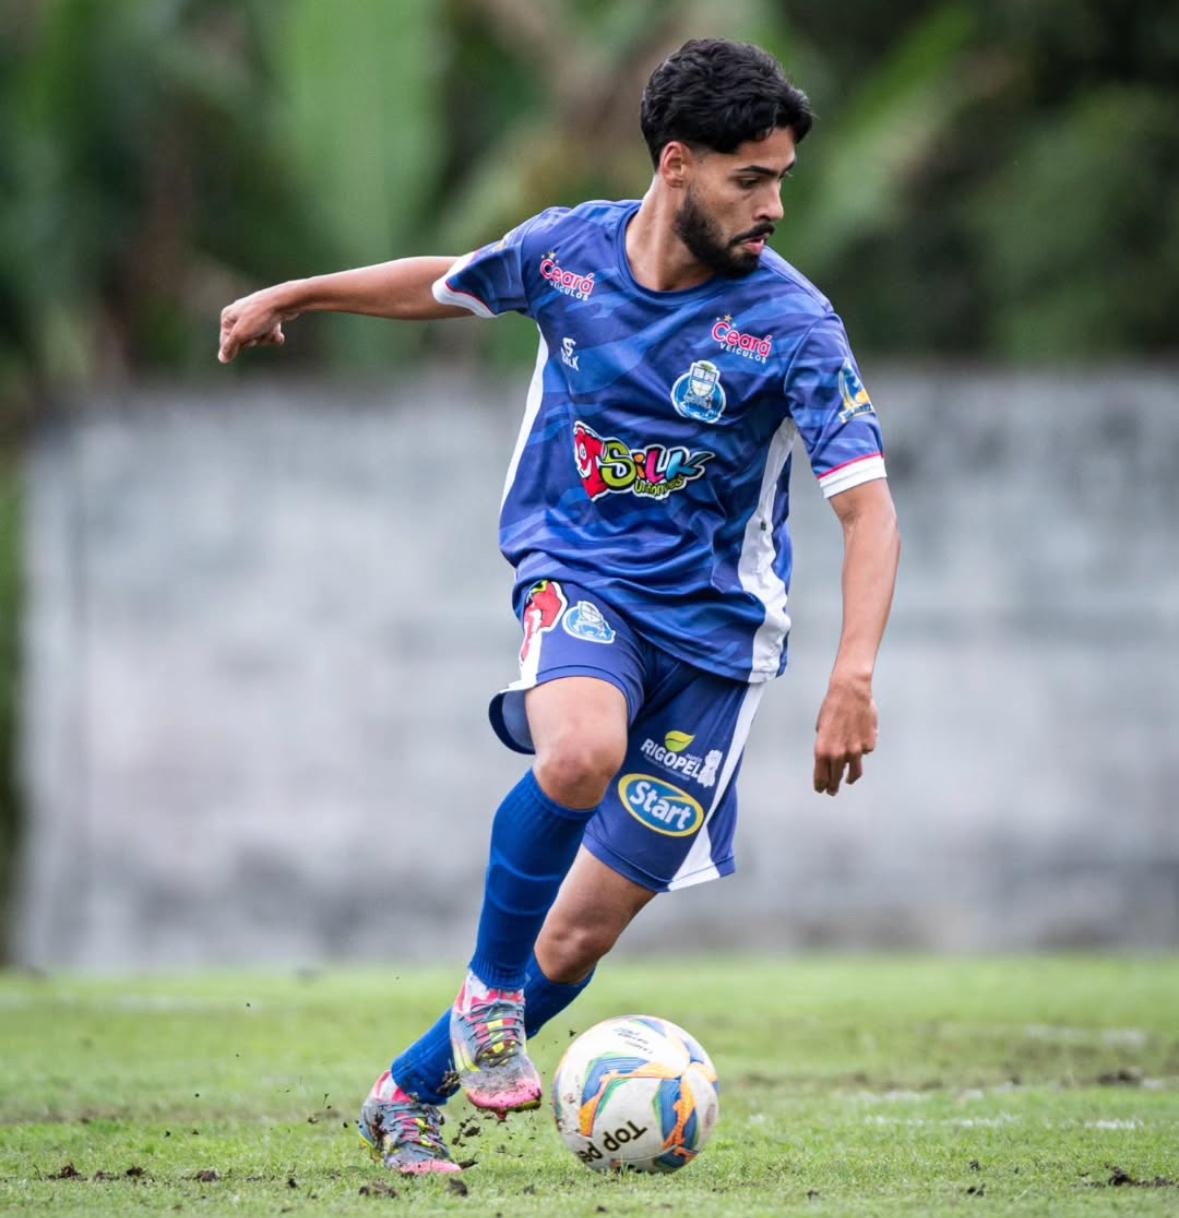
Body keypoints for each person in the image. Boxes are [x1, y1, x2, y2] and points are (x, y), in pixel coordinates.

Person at [218, 38, 900, 1175]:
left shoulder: (795, 328)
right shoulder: (567, 254)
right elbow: (446, 282)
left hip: (721, 652)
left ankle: (405, 1097)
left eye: (783, 178)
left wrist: (853, 673)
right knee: (579, 749)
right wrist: (300, 293)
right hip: (580, 581)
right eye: (751, 179)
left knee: (581, 933)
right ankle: (490, 993)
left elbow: (869, 512)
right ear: (676, 165)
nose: (774, 204)